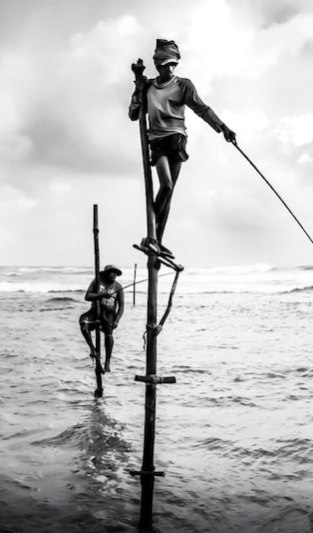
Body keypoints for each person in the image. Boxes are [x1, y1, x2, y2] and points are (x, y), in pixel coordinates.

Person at [129, 39, 236, 256]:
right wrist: (137, 83)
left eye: (173, 64)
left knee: (169, 192)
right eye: (165, 64)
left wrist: (223, 128)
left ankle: (156, 239)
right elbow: (133, 114)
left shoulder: (183, 85)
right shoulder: (148, 86)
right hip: (157, 141)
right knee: (165, 186)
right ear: (157, 65)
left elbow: (202, 109)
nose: (170, 68)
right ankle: (152, 235)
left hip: (176, 139)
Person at [79, 265, 125, 374]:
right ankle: (92, 349)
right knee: (83, 322)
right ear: (106, 273)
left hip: (109, 315)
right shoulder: (97, 281)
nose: (114, 275)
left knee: (109, 335)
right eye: (111, 272)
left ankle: (108, 361)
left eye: (116, 273)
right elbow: (88, 296)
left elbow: (122, 306)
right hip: (94, 312)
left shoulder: (118, 287)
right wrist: (101, 295)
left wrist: (117, 320)